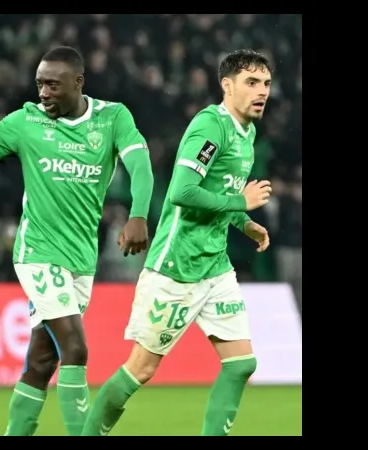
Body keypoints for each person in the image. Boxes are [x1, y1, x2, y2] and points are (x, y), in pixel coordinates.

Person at [0, 46, 154, 436]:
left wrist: (138, 213)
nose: (43, 93)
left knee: (42, 362)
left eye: (53, 85)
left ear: (78, 83)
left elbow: (140, 165)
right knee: (75, 349)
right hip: (38, 254)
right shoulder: (25, 121)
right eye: (39, 83)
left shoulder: (112, 117)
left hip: (81, 258)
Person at [82, 49, 274, 437]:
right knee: (141, 369)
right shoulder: (210, 127)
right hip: (177, 267)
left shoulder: (248, 133)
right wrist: (241, 203)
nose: (262, 92)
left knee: (241, 364)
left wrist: (243, 222)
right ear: (227, 85)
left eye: (266, 83)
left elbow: (221, 192)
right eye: (252, 82)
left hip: (215, 266)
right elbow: (182, 192)